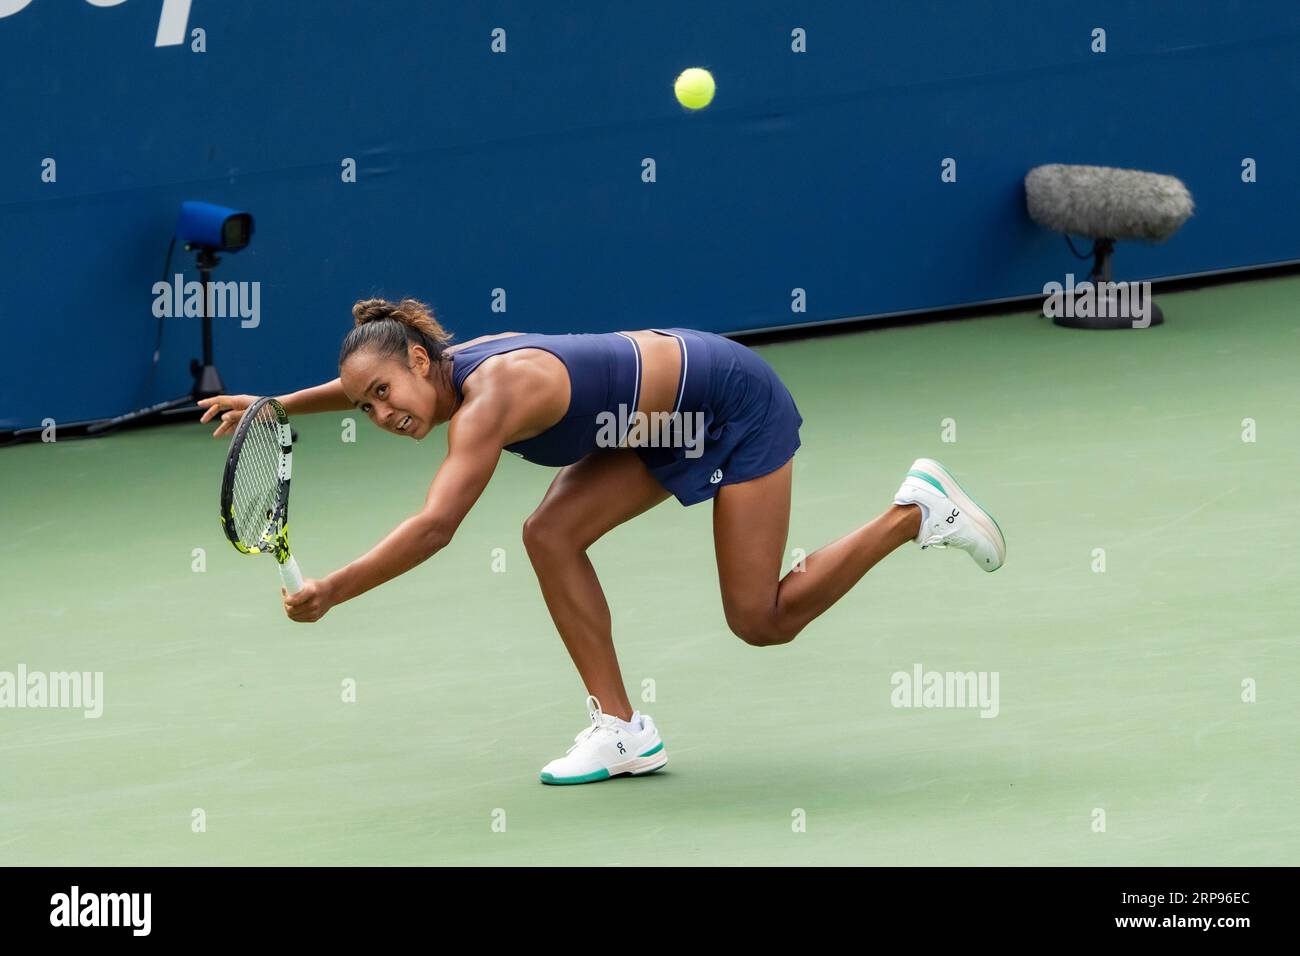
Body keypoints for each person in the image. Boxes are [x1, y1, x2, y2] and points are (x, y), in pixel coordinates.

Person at [200, 297, 1006, 784]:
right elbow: (357, 385)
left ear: (421, 360)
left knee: (760, 619)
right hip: (653, 419)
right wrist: (273, 405)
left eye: (384, 395)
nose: (380, 416)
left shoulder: (492, 399)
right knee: (550, 532)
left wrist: (332, 590)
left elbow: (437, 526)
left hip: (728, 400)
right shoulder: (440, 371)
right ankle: (622, 730)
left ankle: (913, 513)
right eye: (366, 407)